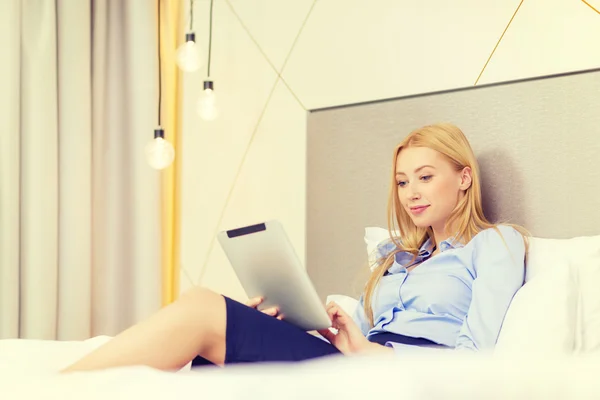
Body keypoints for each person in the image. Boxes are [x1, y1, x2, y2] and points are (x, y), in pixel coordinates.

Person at [61, 122, 527, 373]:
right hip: (357, 366)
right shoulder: (395, 256)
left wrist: (370, 355)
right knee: (210, 346)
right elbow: (362, 332)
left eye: (426, 177)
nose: (411, 193)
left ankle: (57, 390)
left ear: (464, 177)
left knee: (203, 307)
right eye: (403, 181)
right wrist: (321, 325)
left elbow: (475, 360)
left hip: (393, 376)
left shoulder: (494, 244)